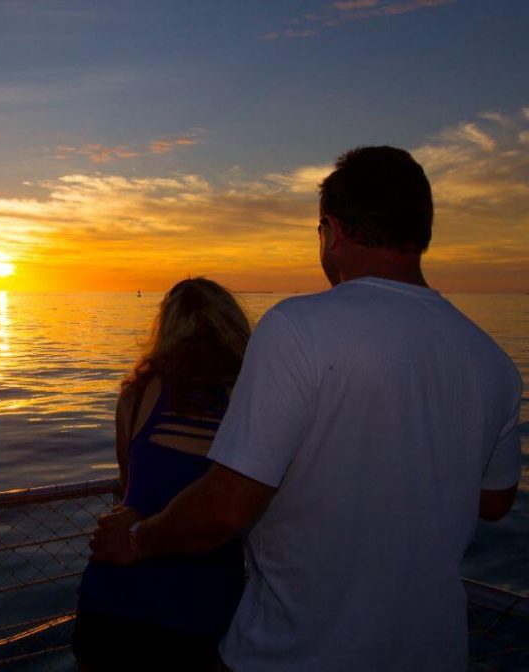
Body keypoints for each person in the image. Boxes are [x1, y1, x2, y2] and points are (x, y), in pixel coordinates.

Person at [90, 146, 522, 671]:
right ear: (422, 233)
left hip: (295, 653)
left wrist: (137, 538)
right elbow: (495, 501)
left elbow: (226, 507)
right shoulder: (493, 361)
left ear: (331, 232)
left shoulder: (297, 328)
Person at [73, 278, 251, 671]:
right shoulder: (250, 399)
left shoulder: (137, 394)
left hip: (110, 606)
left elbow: (128, 486)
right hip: (199, 613)